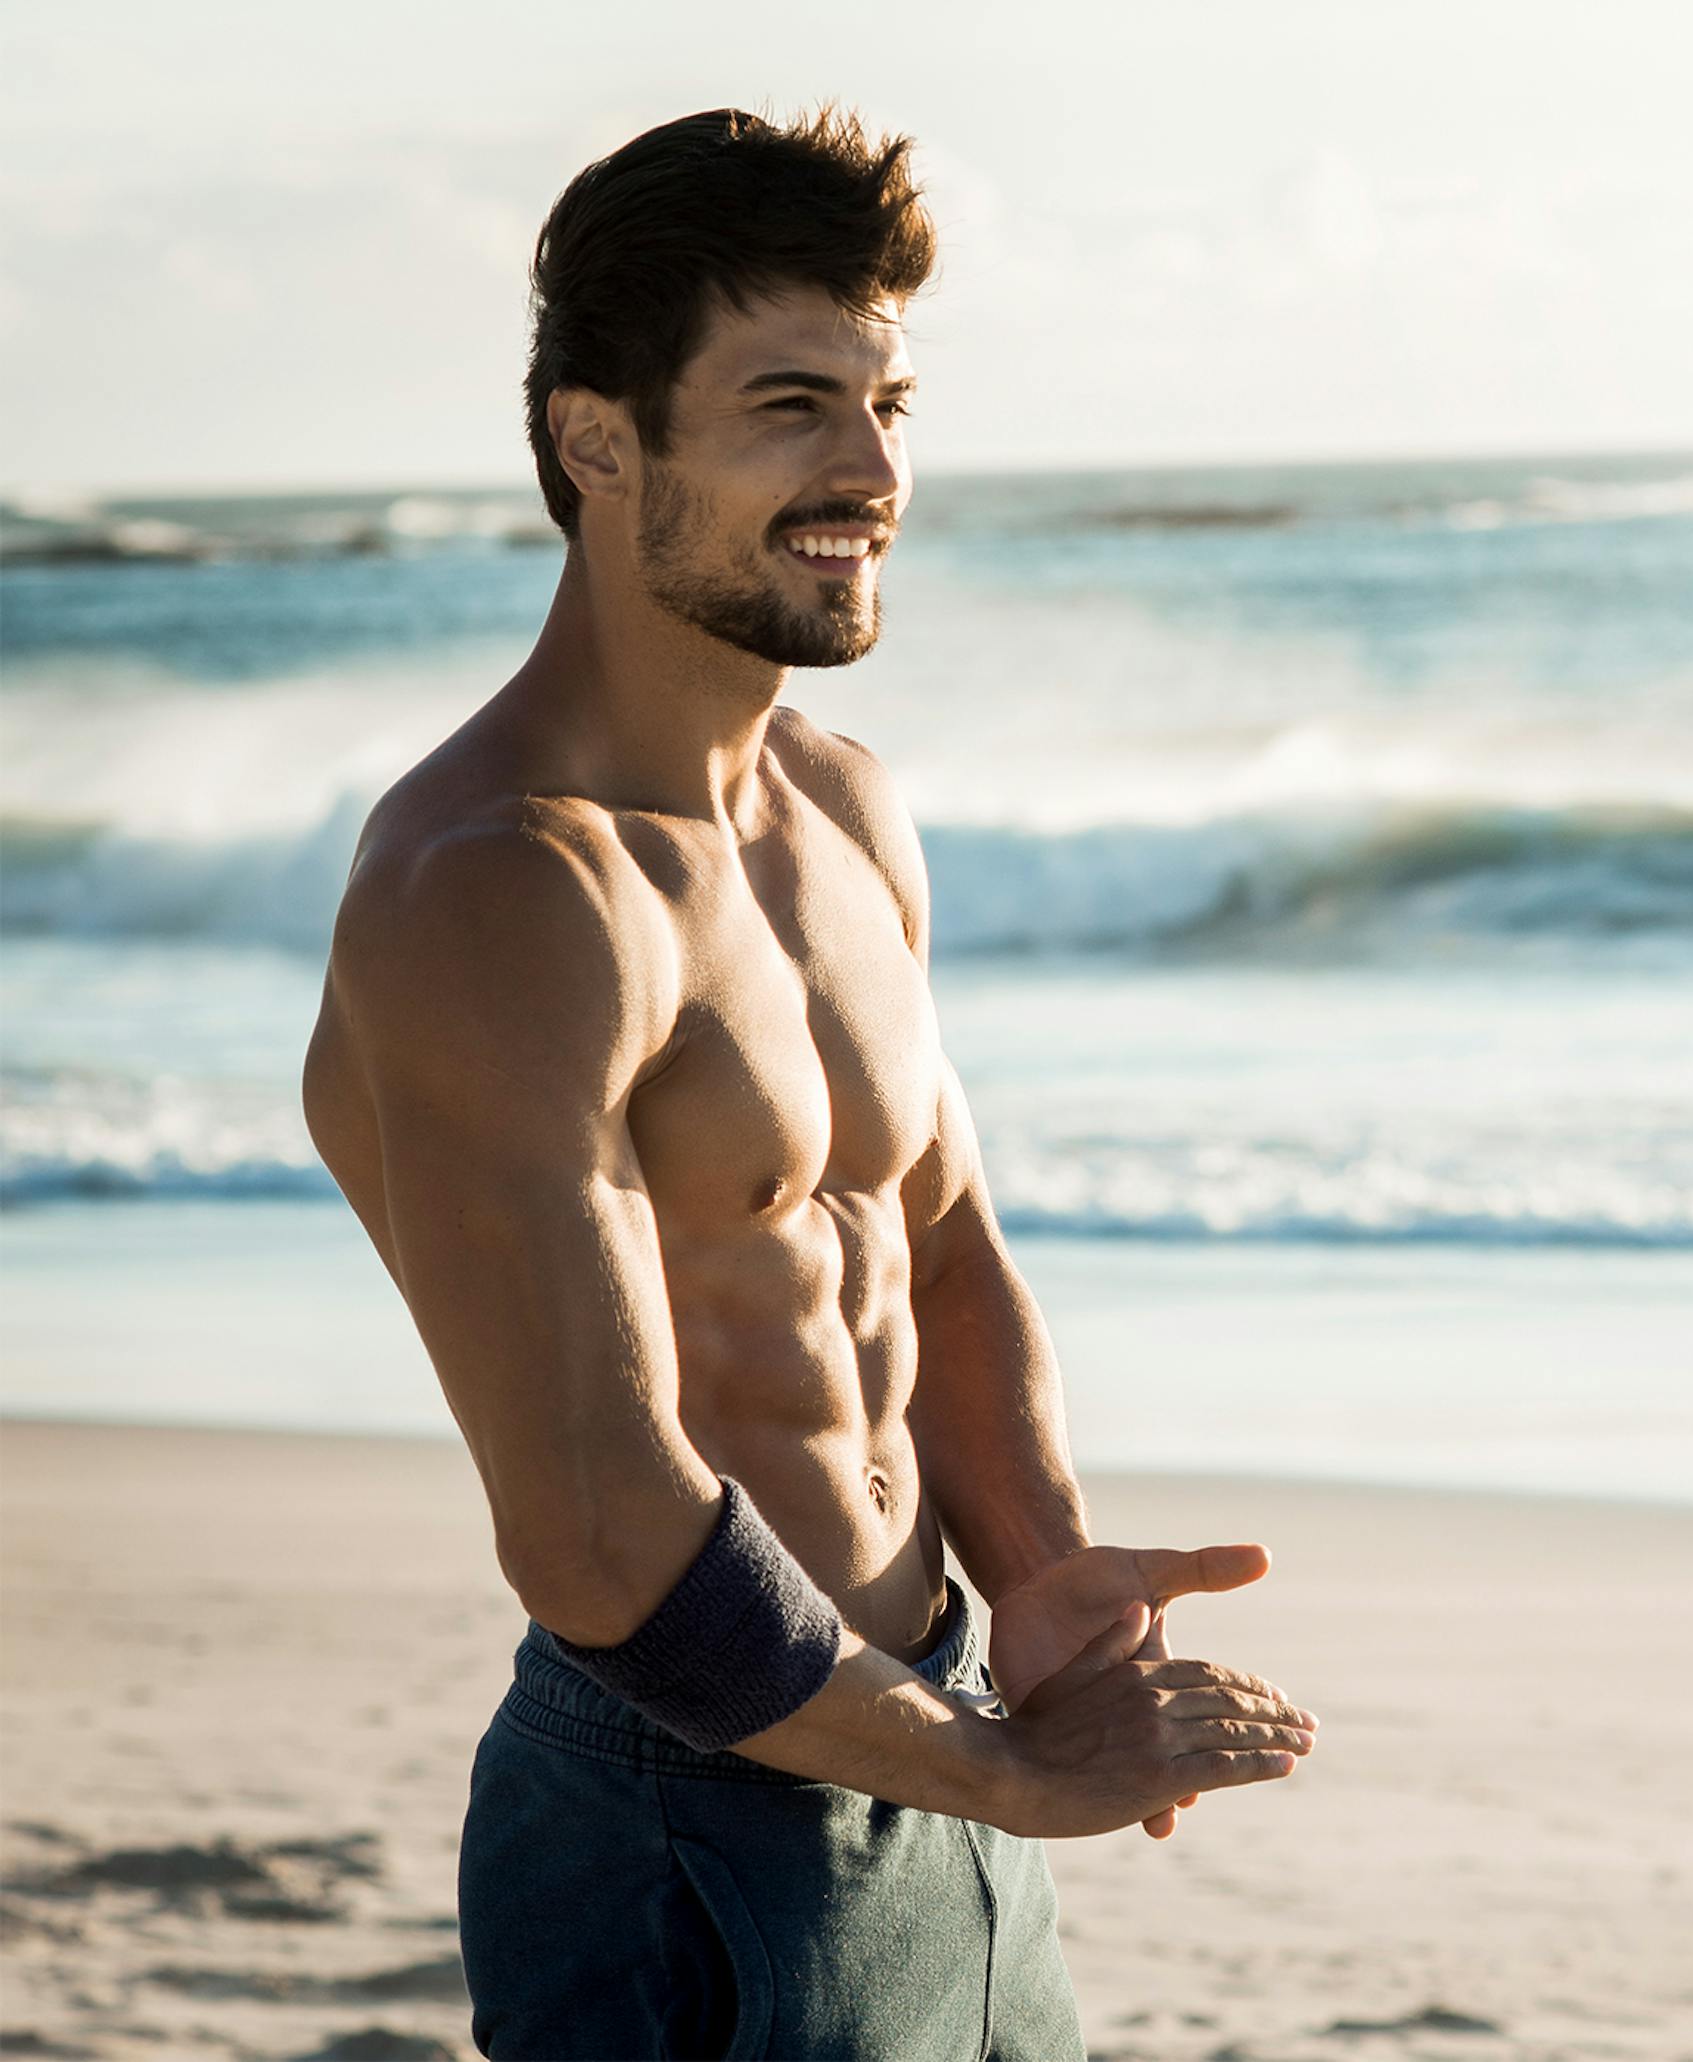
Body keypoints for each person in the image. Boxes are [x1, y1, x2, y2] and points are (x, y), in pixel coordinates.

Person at [301, 101, 1318, 2061]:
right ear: (601, 440)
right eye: (791, 405)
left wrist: (1033, 1568)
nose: (873, 470)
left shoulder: (843, 813)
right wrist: (1002, 1771)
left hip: (934, 1731)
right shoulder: (505, 887)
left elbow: (934, 1242)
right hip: (688, 1800)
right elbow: (597, 1525)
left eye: (890, 401)